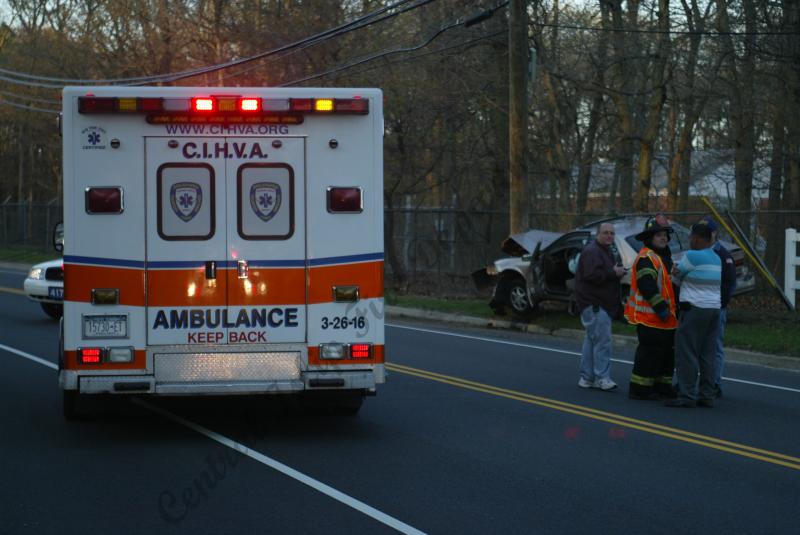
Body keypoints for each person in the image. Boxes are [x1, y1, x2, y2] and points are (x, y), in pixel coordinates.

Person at [665, 219, 722, 408]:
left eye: (690, 237)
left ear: (697, 239)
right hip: (714, 310)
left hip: (694, 309)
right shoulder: (716, 258)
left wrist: (675, 271)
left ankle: (687, 395)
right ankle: (707, 395)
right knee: (707, 354)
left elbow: (676, 277)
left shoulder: (692, 256)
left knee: (686, 352)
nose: (689, 240)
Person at [625, 214, 678, 400]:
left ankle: (662, 387)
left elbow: (668, 286)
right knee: (649, 355)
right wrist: (661, 308)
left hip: (666, 320)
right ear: (649, 238)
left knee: (666, 355)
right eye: (658, 235)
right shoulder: (646, 258)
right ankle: (639, 389)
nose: (663, 238)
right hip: (650, 318)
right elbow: (646, 285)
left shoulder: (663, 257)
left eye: (665, 235)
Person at [574, 222, 626, 391]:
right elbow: (591, 275)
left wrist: (616, 272)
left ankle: (587, 378)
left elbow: (602, 273)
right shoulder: (592, 251)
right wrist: (614, 273)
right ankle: (602, 378)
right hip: (595, 303)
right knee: (603, 341)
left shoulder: (604, 250)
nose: (609, 236)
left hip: (597, 303)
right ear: (598, 234)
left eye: (612, 233)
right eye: (605, 233)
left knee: (592, 339)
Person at [701, 215, 737, 398]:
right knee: (696, 347)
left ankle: (714, 384)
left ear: (715, 234)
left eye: (708, 232)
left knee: (715, 347)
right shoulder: (697, 253)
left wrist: (720, 304)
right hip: (698, 308)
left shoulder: (723, 255)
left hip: (716, 308)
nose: (704, 236)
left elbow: (730, 284)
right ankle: (697, 382)